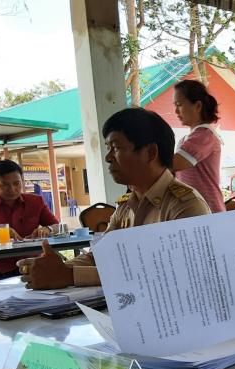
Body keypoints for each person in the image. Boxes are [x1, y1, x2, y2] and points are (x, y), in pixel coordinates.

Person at [18, 107, 210, 290]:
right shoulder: (126, 206)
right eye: (108, 148)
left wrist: (69, 275)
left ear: (151, 152)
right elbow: (102, 256)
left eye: (116, 147)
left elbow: (170, 274)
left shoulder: (185, 206)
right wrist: (53, 269)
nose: (108, 157)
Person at [0, 159, 58, 281]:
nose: (12, 189)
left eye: (16, 183)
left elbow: (56, 225)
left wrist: (47, 229)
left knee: (58, 281)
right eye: (4, 185)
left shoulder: (35, 202)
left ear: (22, 181)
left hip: (33, 261)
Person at [172, 79, 225, 213]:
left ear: (198, 106)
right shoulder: (186, 139)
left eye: (179, 104)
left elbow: (174, 164)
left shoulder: (204, 135)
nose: (176, 111)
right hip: (194, 209)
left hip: (209, 210)